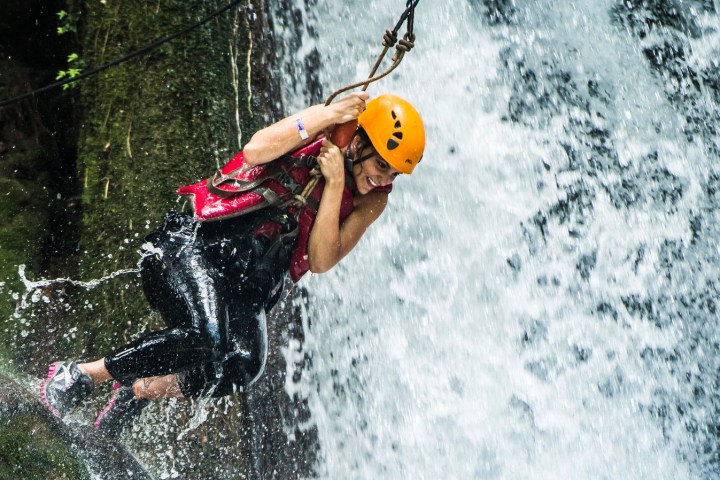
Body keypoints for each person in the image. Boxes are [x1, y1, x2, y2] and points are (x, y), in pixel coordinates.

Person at [40, 91, 426, 436]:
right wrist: (328, 114)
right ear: (358, 143)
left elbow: (323, 259)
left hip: (247, 284)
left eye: (394, 173)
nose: (385, 178)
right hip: (194, 247)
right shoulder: (315, 137)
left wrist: (336, 183)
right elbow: (256, 150)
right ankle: (80, 375)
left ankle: (138, 390)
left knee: (242, 362)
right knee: (207, 335)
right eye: (383, 165)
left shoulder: (372, 199)